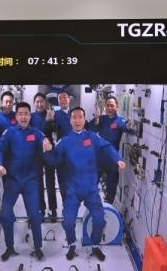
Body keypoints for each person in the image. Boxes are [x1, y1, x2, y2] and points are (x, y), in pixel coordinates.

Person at [44, 107, 126, 261]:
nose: (77, 120)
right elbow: (54, 160)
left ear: (84, 119)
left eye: (80, 117)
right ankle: (72, 244)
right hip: (73, 190)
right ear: (70, 121)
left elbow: (107, 146)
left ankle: (95, 245)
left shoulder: (92, 137)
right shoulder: (64, 141)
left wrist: (118, 159)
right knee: (68, 222)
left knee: (99, 220)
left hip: (91, 189)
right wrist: (48, 150)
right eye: (74, 118)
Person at [0, 102, 53, 261]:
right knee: (6, 215)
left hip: (30, 182)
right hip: (12, 181)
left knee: (35, 215)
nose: (23, 117)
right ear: (16, 116)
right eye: (20, 114)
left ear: (30, 116)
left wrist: (48, 146)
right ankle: (9, 247)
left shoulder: (36, 133)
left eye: (26, 114)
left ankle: (38, 247)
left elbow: (46, 142)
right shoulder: (9, 133)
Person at [89, 96, 134, 204]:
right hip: (99, 157)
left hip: (113, 159)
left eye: (112, 105)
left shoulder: (120, 120)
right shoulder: (101, 119)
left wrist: (130, 125)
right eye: (108, 105)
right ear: (105, 106)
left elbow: (126, 128)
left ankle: (109, 206)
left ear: (117, 107)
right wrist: (96, 121)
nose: (109, 107)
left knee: (112, 185)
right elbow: (91, 130)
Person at [30, 93, 58, 221]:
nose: (40, 104)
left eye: (42, 101)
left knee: (50, 182)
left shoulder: (51, 115)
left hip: (49, 151)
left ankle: (53, 209)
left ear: (45, 103)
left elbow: (54, 131)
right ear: (34, 103)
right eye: (37, 101)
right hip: (36, 153)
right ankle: (41, 208)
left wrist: (51, 120)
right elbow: (37, 133)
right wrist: (46, 121)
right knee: (38, 183)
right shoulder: (31, 117)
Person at [50, 91, 73, 203]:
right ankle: (66, 204)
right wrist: (49, 120)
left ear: (69, 99)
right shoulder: (55, 115)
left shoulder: (75, 113)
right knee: (62, 181)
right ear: (58, 101)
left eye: (64, 97)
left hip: (75, 153)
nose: (63, 100)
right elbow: (50, 129)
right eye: (60, 98)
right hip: (61, 154)